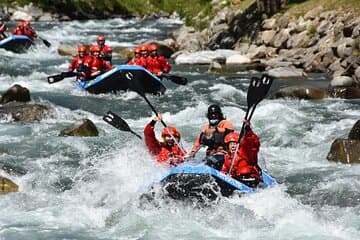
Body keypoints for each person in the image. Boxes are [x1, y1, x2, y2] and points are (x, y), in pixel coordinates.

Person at [221, 121, 262, 187]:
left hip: (250, 180)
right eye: (231, 144)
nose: (233, 146)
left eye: (234, 144)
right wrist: (225, 174)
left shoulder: (245, 153)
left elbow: (251, 144)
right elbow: (224, 170)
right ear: (227, 146)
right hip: (238, 179)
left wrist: (248, 131)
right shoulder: (227, 157)